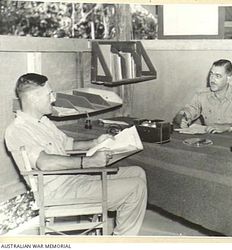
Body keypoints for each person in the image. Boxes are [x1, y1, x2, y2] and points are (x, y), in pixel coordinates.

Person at [4, 73, 147, 236]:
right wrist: (88, 162)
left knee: (138, 172)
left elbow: (67, 144)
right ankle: (121, 244)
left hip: (72, 178)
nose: (53, 99)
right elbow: (45, 163)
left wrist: (95, 142)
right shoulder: (17, 130)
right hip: (56, 192)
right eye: (49, 94)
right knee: (135, 188)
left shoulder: (43, 121)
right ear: (34, 98)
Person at [172, 59, 232, 133]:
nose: (212, 80)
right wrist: (181, 118)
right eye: (211, 74)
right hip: (209, 141)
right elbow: (186, 112)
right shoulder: (202, 95)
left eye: (218, 76)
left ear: (228, 79)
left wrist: (226, 127)